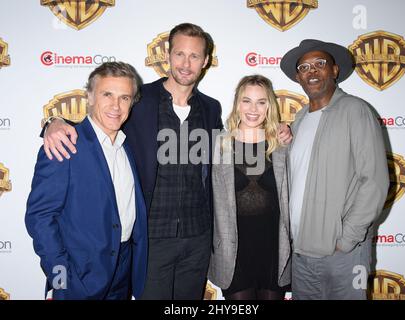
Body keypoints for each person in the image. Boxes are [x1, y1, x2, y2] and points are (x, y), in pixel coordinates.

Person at [41, 23, 292, 300]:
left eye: (195, 56)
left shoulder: (210, 108)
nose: (186, 63)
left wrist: (280, 128)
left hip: (198, 238)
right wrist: (54, 123)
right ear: (168, 55)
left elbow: (241, 141)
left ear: (205, 61)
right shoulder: (140, 100)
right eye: (180, 54)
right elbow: (103, 120)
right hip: (152, 238)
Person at [25, 62, 148, 300]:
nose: (116, 105)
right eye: (107, 94)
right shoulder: (65, 144)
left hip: (122, 274)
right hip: (77, 279)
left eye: (124, 97)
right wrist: (61, 280)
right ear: (89, 97)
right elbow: (39, 218)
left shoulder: (126, 147)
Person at [279, 39, 389, 300]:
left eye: (320, 64)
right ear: (298, 77)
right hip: (301, 252)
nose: (312, 71)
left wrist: (347, 238)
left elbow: (373, 180)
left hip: (343, 254)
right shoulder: (300, 119)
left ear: (335, 70)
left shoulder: (355, 110)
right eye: (304, 67)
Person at [208, 75, 291, 300]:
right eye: (247, 101)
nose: (253, 109)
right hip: (233, 252)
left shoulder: (283, 146)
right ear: (237, 104)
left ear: (269, 106)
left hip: (273, 250)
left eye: (261, 102)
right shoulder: (219, 145)